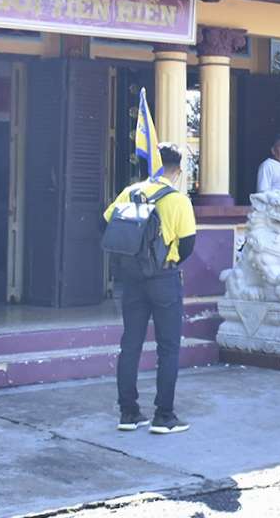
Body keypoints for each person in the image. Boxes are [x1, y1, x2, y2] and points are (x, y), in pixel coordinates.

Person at [104, 144, 196, 434]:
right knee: (168, 348)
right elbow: (188, 245)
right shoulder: (179, 200)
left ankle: (128, 413)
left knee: (130, 344)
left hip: (132, 279)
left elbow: (106, 223)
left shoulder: (130, 192)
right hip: (164, 279)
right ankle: (164, 416)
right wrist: (165, 261)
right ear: (178, 170)